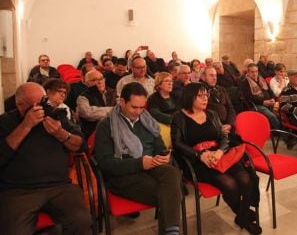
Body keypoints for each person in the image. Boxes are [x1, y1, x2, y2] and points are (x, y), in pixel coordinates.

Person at [0, 82, 91, 234]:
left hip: (60, 187)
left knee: (82, 221)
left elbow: (81, 145)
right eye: (33, 105)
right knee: (15, 231)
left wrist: (61, 134)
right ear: (19, 105)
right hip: (18, 191)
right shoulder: (5, 122)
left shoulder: (55, 115)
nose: (40, 109)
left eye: (42, 101)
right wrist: (25, 126)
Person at [171, 83, 261, 234]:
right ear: (189, 97)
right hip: (197, 160)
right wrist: (200, 155)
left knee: (246, 178)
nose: (205, 99)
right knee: (229, 184)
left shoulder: (211, 114)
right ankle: (243, 214)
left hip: (220, 156)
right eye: (200, 96)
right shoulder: (178, 118)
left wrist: (220, 151)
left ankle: (242, 217)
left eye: (206, 95)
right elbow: (177, 144)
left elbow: (223, 136)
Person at [95, 82, 182, 235]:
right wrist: (140, 163)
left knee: (172, 173)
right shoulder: (106, 125)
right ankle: (171, 232)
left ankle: (171, 232)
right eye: (134, 107)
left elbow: (159, 147)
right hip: (123, 175)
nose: (138, 112)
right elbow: (105, 164)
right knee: (170, 194)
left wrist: (164, 155)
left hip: (150, 166)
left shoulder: (147, 120)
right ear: (122, 102)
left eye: (142, 107)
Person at [239, 63, 280, 129]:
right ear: (248, 72)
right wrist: (263, 102)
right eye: (252, 72)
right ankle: (282, 133)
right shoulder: (244, 82)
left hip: (269, 102)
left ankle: (279, 129)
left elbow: (270, 90)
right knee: (272, 116)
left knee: (282, 111)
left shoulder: (261, 79)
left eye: (256, 71)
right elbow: (249, 97)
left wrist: (272, 98)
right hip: (256, 105)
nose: (255, 74)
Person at [77, 70, 115, 138]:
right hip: (94, 133)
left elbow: (123, 110)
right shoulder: (82, 98)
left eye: (101, 78)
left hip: (114, 130)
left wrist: (98, 112)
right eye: (94, 80)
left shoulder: (113, 92)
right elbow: (88, 113)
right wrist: (113, 110)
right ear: (86, 83)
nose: (100, 82)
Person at [202, 67, 236, 137]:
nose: (214, 78)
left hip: (227, 124)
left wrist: (230, 124)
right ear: (204, 77)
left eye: (215, 75)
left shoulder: (221, 89)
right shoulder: (200, 91)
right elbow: (201, 112)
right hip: (212, 127)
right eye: (211, 75)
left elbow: (230, 108)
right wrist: (218, 127)